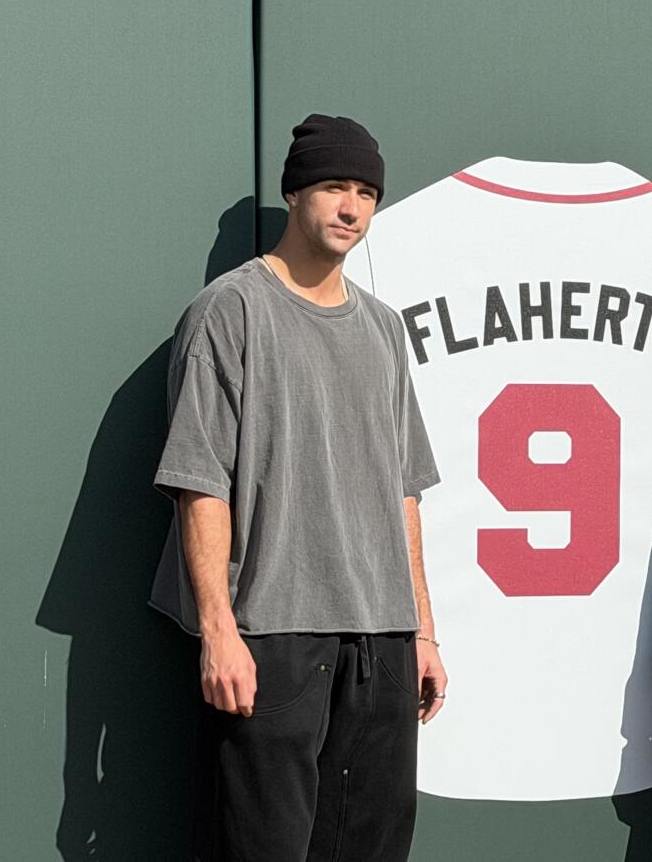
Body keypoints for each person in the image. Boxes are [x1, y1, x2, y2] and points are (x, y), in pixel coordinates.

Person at [148, 114, 446, 862]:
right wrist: (220, 632)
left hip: (379, 642)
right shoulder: (231, 310)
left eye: (367, 193)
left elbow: (403, 491)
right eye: (334, 187)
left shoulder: (383, 330)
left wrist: (423, 632)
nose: (352, 207)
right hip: (272, 637)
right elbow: (198, 483)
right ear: (293, 194)